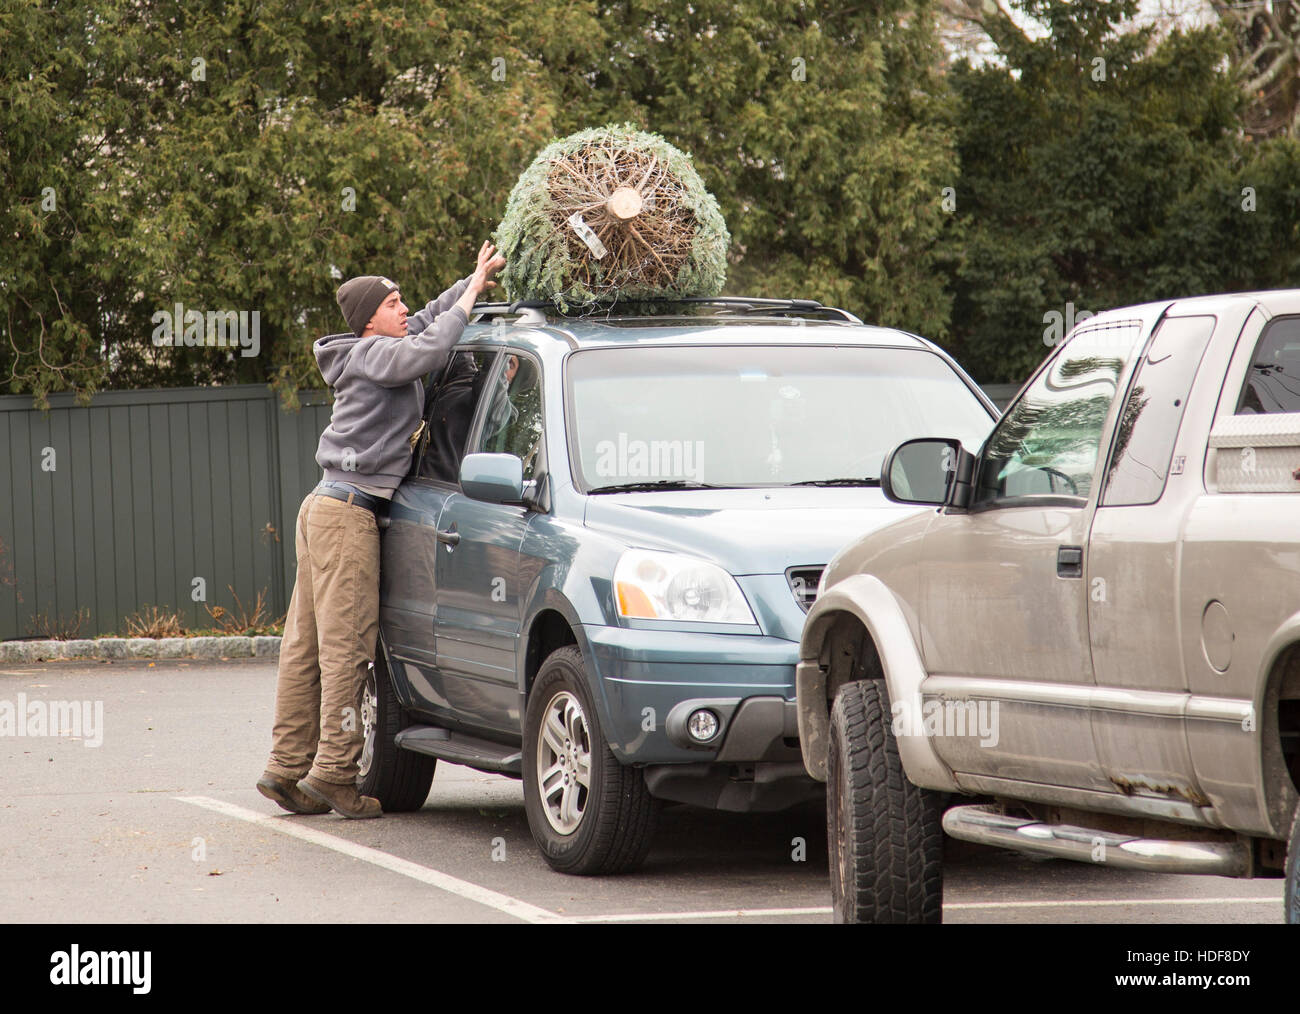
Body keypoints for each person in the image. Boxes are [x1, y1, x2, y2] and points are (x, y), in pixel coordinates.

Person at [256, 241, 506, 819]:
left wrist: (470, 279)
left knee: (305, 646)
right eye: (394, 302)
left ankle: (286, 767)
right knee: (348, 650)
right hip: (348, 516)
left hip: (324, 506)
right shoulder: (375, 356)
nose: (404, 308)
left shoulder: (377, 346)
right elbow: (431, 346)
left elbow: (426, 324)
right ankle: (335, 776)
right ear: (370, 318)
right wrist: (469, 298)